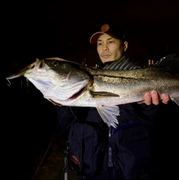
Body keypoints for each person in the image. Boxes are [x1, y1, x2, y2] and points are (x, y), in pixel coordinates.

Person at [57, 23, 170, 180]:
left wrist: (150, 107)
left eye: (110, 42)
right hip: (95, 172)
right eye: (100, 43)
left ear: (124, 45)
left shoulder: (143, 76)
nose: (104, 48)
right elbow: (68, 128)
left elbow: (160, 131)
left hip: (133, 173)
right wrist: (63, 103)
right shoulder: (87, 82)